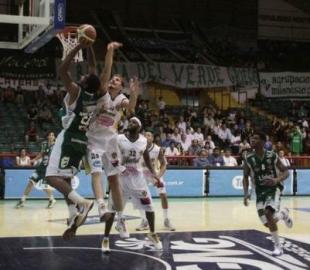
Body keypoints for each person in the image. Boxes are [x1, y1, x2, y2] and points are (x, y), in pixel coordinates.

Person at [45, 40, 101, 240]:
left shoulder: (77, 91)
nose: (84, 74)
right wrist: (90, 45)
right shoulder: (96, 96)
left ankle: (83, 203)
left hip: (68, 138)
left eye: (84, 76)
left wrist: (77, 47)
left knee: (51, 177)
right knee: (66, 179)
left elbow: (62, 70)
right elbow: (93, 69)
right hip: (81, 143)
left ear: (84, 83)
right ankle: (72, 214)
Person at [85, 41, 139, 224]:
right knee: (96, 172)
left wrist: (134, 94)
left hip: (111, 142)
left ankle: (121, 218)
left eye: (116, 80)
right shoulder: (102, 92)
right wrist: (109, 52)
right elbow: (106, 70)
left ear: (121, 87)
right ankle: (101, 206)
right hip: (93, 139)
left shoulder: (122, 98)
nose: (112, 81)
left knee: (114, 180)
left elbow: (130, 110)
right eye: (112, 79)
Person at [102, 117, 163, 253]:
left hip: (138, 179)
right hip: (121, 178)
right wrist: (118, 167)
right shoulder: (118, 138)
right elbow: (109, 154)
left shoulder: (143, 141)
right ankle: (105, 238)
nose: (130, 123)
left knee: (149, 206)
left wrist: (154, 174)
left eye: (134, 122)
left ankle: (152, 233)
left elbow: (146, 158)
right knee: (111, 210)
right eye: (130, 121)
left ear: (139, 127)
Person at [243, 132, 293, 256]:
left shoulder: (272, 156)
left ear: (263, 142)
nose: (252, 140)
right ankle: (283, 214)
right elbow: (245, 177)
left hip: (274, 188)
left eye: (255, 138)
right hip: (260, 192)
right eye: (251, 138)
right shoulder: (249, 158)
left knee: (268, 213)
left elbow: (286, 172)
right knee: (268, 223)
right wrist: (245, 193)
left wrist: (276, 180)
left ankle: (278, 247)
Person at [136, 131, 175, 231]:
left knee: (163, 195)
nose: (146, 136)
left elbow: (163, 164)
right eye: (144, 135)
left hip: (153, 173)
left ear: (152, 138)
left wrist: (158, 176)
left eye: (148, 135)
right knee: (141, 196)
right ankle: (144, 221)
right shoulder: (137, 148)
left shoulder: (157, 149)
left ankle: (166, 220)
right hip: (141, 174)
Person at [16, 132, 56, 209]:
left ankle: (52, 200)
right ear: (47, 136)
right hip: (41, 167)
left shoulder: (56, 146)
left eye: (52, 135)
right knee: (31, 182)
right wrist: (33, 160)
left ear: (54, 137)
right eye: (49, 135)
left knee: (45, 186)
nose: (51, 136)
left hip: (49, 168)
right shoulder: (44, 144)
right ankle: (22, 200)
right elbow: (41, 154)